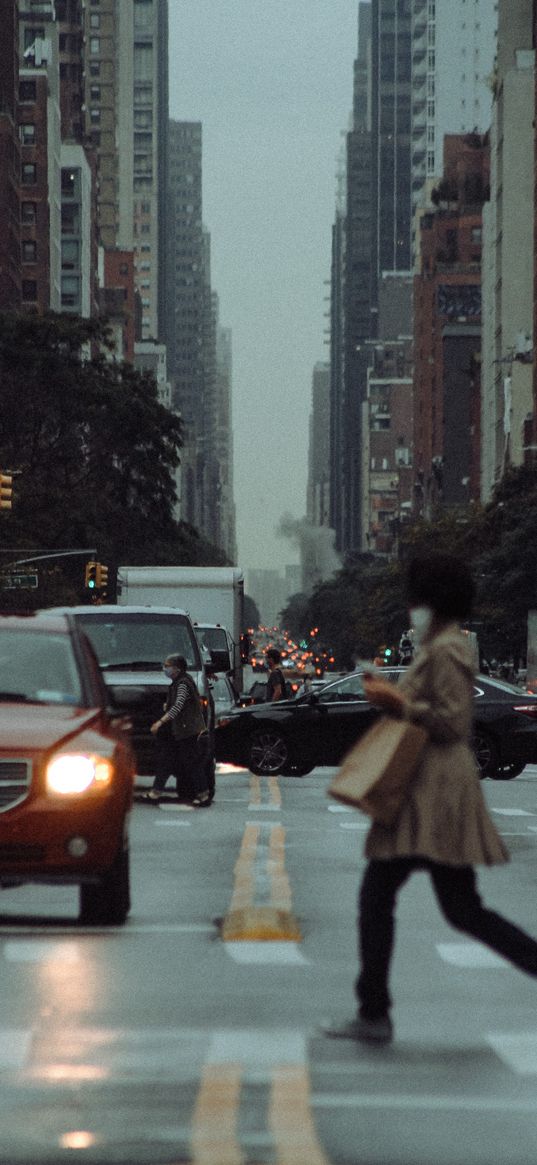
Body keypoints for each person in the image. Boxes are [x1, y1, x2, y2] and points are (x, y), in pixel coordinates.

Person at [326, 552, 537, 1046]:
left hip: (434, 791)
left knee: (383, 897)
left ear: (434, 602)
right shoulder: (440, 646)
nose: (411, 607)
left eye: (417, 598)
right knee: (458, 908)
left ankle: (373, 1012)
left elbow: (451, 722)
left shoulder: (447, 651)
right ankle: (372, 1009)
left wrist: (395, 700)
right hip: (426, 788)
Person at [142, 654, 211, 807]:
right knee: (167, 759)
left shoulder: (183, 684)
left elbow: (178, 707)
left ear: (177, 668)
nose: (165, 668)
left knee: (191, 763)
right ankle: (156, 792)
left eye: (168, 666)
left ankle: (204, 795)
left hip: (187, 731)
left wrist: (160, 722)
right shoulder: (177, 683)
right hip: (180, 730)